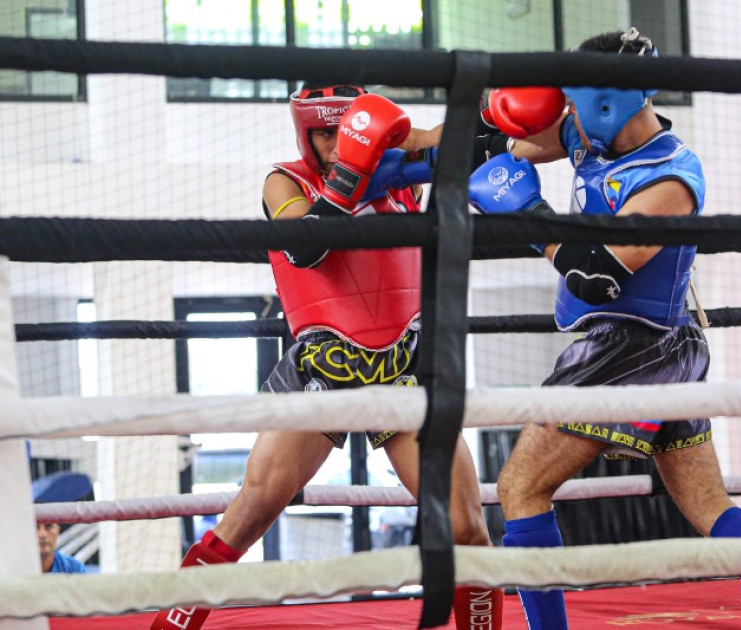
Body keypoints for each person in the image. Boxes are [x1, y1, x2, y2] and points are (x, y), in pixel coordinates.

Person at [469, 28, 741, 630]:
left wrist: (530, 218)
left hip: (630, 346)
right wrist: (384, 153)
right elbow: (493, 147)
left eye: (575, 102)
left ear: (606, 102)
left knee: (520, 487)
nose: (567, 116)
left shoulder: (670, 178)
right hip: (668, 349)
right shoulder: (589, 134)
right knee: (709, 506)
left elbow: (596, 278)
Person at [151, 84, 502, 630]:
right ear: (303, 134)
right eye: (324, 133)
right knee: (248, 516)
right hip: (321, 373)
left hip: (402, 375)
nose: (340, 145)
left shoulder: (401, 164)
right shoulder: (283, 181)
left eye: (348, 132)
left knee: (466, 527)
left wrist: (494, 111)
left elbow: (464, 146)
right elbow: (304, 244)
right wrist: (350, 174)